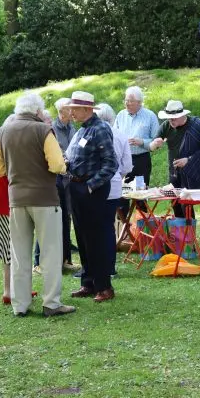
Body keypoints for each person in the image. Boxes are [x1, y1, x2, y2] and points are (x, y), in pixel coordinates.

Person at [0, 91, 75, 318]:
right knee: (50, 251)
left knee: (19, 254)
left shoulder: (3, 132)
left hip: (16, 200)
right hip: (44, 199)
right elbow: (58, 165)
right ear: (37, 111)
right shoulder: (42, 130)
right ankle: (51, 303)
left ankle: (20, 304)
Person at [66, 91, 119, 303]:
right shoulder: (82, 131)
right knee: (82, 237)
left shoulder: (101, 129)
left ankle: (104, 286)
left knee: (95, 239)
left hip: (91, 190)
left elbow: (111, 164)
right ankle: (88, 283)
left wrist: (90, 186)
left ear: (87, 109)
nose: (71, 113)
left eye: (74, 109)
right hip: (76, 187)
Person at [0, 145, 38, 305]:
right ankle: (17, 290)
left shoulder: (0, 143)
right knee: (17, 247)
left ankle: (9, 290)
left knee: (8, 248)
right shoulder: (11, 145)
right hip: (8, 201)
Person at [34, 98, 80, 275]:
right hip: (55, 179)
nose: (74, 111)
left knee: (66, 219)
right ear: (63, 111)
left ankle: (66, 259)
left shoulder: (71, 127)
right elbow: (55, 154)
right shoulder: (51, 129)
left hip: (69, 179)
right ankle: (39, 261)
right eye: (71, 109)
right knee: (49, 221)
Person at [150, 100, 200, 218]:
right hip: (174, 171)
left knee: (186, 203)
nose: (170, 121)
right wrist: (155, 143)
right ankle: (180, 233)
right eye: (168, 118)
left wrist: (188, 160)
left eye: (173, 118)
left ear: (182, 115)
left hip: (192, 169)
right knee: (175, 202)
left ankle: (189, 233)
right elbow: (152, 147)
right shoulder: (167, 126)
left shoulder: (196, 125)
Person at [95, 103, 132, 277]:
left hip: (95, 186)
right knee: (108, 227)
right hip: (115, 184)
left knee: (93, 228)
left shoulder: (92, 133)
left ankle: (95, 267)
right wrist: (117, 175)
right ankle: (109, 268)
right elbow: (127, 166)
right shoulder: (120, 135)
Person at [114, 86, 159, 187]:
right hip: (123, 160)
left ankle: (140, 203)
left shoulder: (150, 116)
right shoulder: (121, 115)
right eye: (126, 100)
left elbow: (157, 140)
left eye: (130, 101)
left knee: (140, 193)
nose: (127, 103)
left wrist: (142, 142)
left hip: (141, 161)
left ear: (139, 102)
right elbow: (114, 137)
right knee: (122, 194)